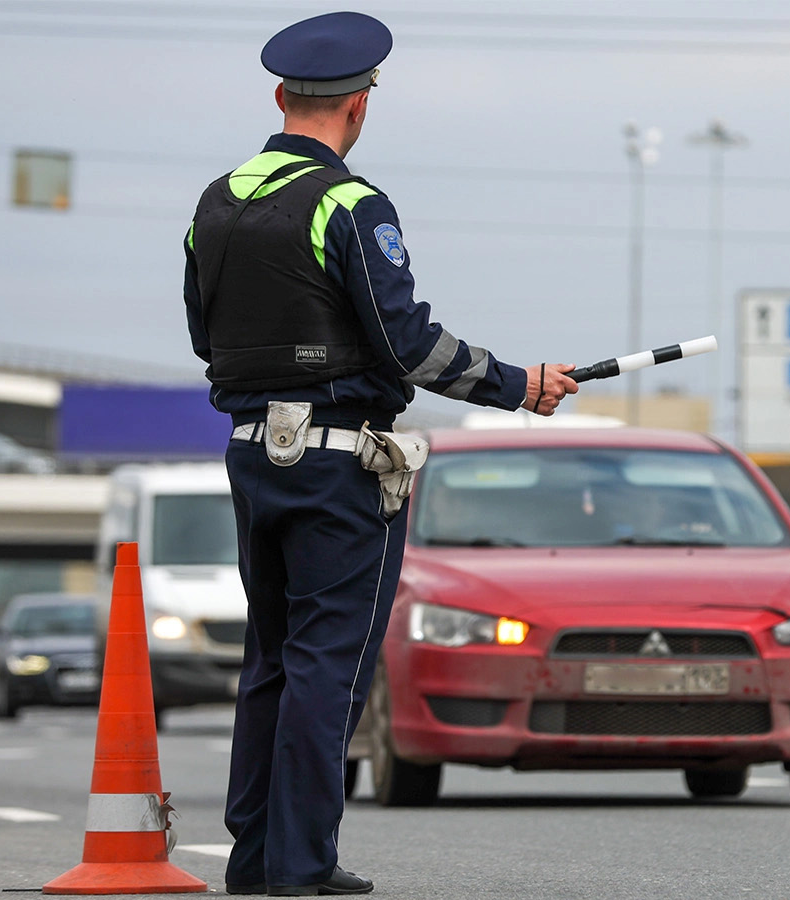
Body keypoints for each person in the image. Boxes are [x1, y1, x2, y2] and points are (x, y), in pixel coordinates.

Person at [180, 11, 578, 896]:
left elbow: (208, 338)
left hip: (251, 455)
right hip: (336, 467)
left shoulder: (214, 203)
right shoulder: (350, 205)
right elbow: (407, 344)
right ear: (359, 108)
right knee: (333, 661)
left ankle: (255, 857)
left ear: (281, 97)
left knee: (272, 658)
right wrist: (519, 383)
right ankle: (301, 864)